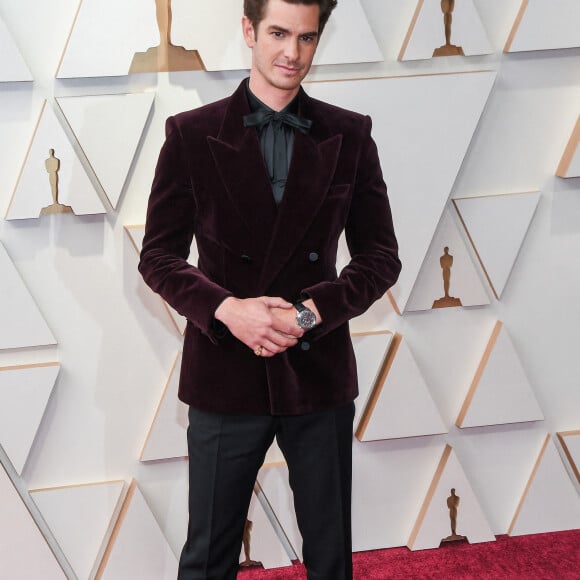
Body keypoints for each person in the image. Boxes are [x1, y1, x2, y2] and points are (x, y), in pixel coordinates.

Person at [138, 0, 401, 577]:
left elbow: (381, 258)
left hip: (318, 375)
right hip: (226, 375)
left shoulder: (350, 135)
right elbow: (157, 256)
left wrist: (309, 315)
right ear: (249, 31)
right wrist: (229, 310)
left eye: (307, 38)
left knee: (330, 557)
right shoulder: (191, 134)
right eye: (279, 34)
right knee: (208, 556)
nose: (292, 53)